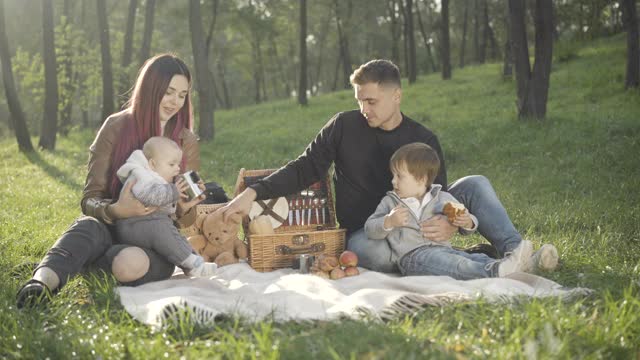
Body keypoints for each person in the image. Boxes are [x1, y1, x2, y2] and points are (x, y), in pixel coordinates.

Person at [221, 59, 559, 274]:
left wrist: (449, 224)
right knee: (374, 255)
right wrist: (252, 192)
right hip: (370, 232)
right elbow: (305, 167)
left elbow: (438, 192)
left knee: (476, 183)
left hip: (421, 225)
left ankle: (516, 252)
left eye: (371, 100)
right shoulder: (342, 126)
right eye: (359, 100)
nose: (363, 108)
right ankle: (474, 261)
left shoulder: (423, 137)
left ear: (396, 96)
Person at [16, 53, 206, 308]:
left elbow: (184, 221)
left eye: (182, 95)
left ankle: (82, 262)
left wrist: (185, 207)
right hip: (109, 228)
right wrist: (117, 210)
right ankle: (41, 284)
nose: (175, 102)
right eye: (169, 92)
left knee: (131, 263)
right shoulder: (115, 127)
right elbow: (90, 198)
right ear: (151, 89)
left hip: (154, 238)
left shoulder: (186, 141)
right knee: (86, 228)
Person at [365, 142, 534, 279]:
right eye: (393, 175)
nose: (393, 181)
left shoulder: (442, 197)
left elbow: (468, 222)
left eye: (399, 176)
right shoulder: (390, 202)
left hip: (444, 250)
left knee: (471, 259)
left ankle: (517, 265)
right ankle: (496, 271)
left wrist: (467, 222)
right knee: (458, 265)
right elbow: (370, 228)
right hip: (413, 258)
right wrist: (388, 221)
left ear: (421, 179)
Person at [115, 136, 217, 278]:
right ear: (152, 164)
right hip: (134, 226)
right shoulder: (140, 175)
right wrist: (173, 191)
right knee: (162, 230)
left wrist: (182, 200)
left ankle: (192, 264)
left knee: (174, 235)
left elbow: (163, 207)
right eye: (171, 165)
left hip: (148, 223)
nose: (177, 168)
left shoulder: (154, 176)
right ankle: (192, 263)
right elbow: (149, 196)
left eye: (178, 164)